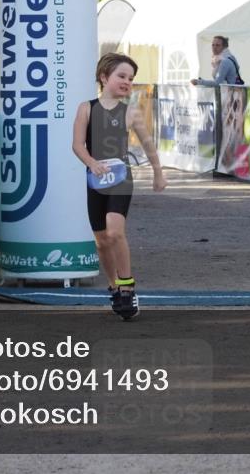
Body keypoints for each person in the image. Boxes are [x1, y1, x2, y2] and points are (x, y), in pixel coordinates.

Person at [72, 53, 167, 321]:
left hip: (120, 178)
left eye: (131, 79)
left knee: (115, 232)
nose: (127, 82)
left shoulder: (131, 112)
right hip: (95, 179)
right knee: (101, 240)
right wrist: (91, 163)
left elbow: (148, 145)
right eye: (121, 76)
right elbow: (77, 145)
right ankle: (113, 285)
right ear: (104, 77)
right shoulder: (86, 108)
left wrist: (158, 173)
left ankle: (127, 286)